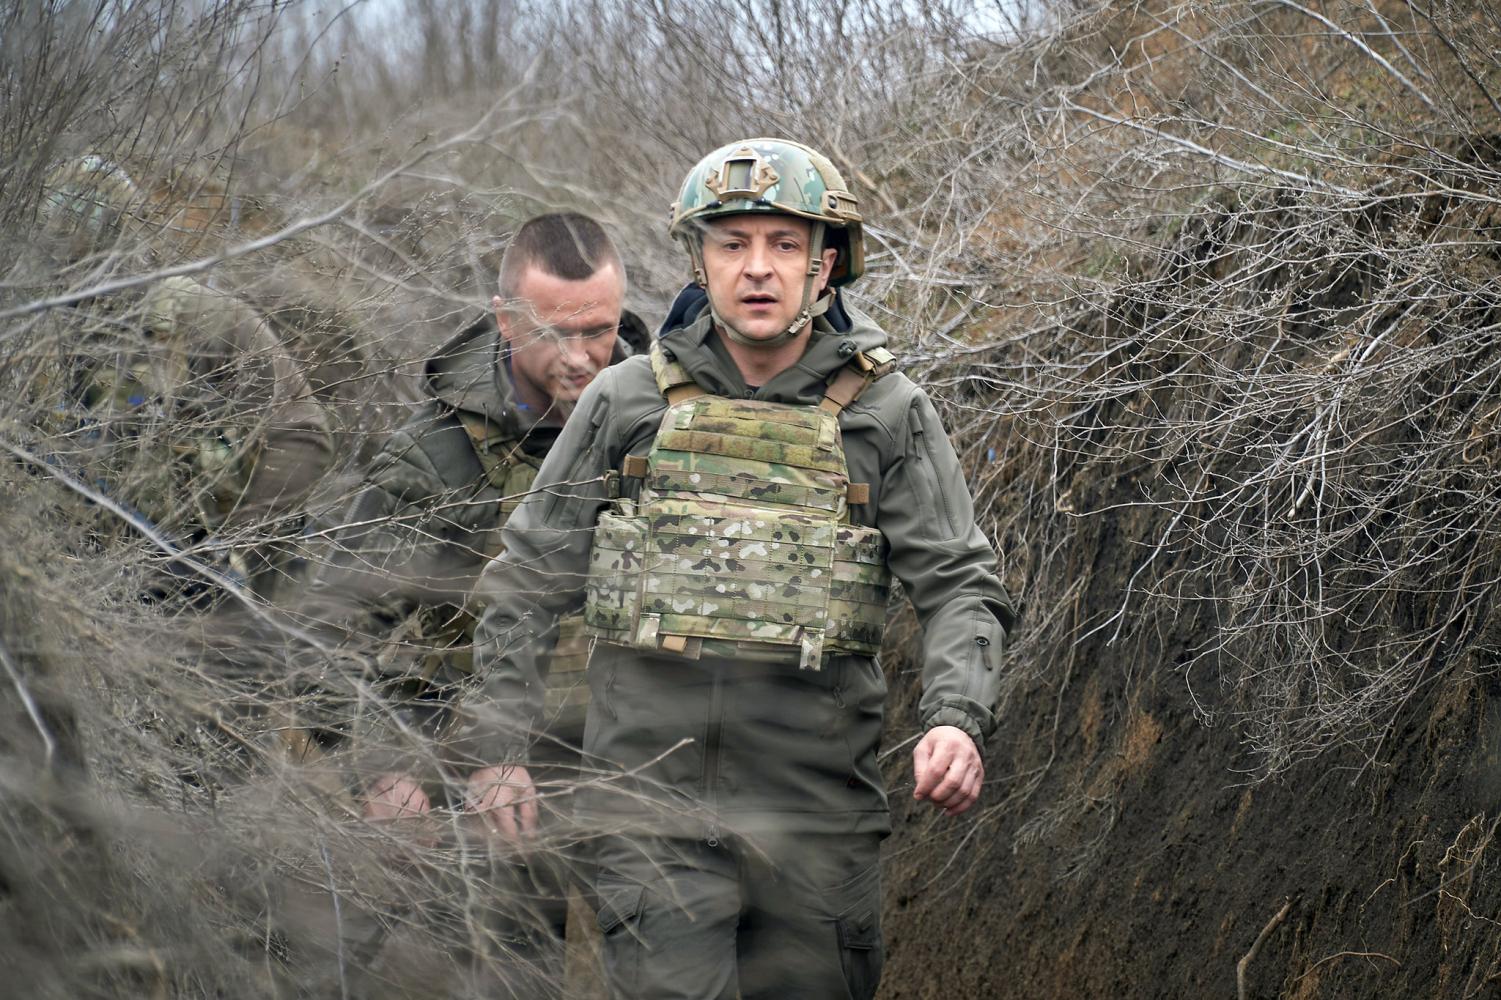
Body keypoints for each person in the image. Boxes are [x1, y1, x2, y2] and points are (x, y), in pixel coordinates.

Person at [467, 138, 1017, 999]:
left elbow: (959, 584)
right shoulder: (626, 402)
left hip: (815, 823)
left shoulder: (885, 413)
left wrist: (955, 717)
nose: (757, 267)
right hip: (651, 814)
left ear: (822, 265)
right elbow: (528, 577)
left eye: (783, 244)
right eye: (732, 244)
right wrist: (499, 747)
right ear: (700, 260)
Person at [298, 211, 647, 995]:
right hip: (478, 774)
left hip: (635, 754)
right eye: (554, 333)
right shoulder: (437, 458)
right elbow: (328, 628)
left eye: (598, 330)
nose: (580, 356)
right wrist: (380, 772)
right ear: (504, 319)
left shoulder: (659, 423)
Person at [31, 156, 333, 602]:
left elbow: (303, 435)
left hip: (205, 585)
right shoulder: (32, 335)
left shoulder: (204, 317)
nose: (69, 262)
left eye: (79, 245)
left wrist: (234, 547)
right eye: (58, 244)